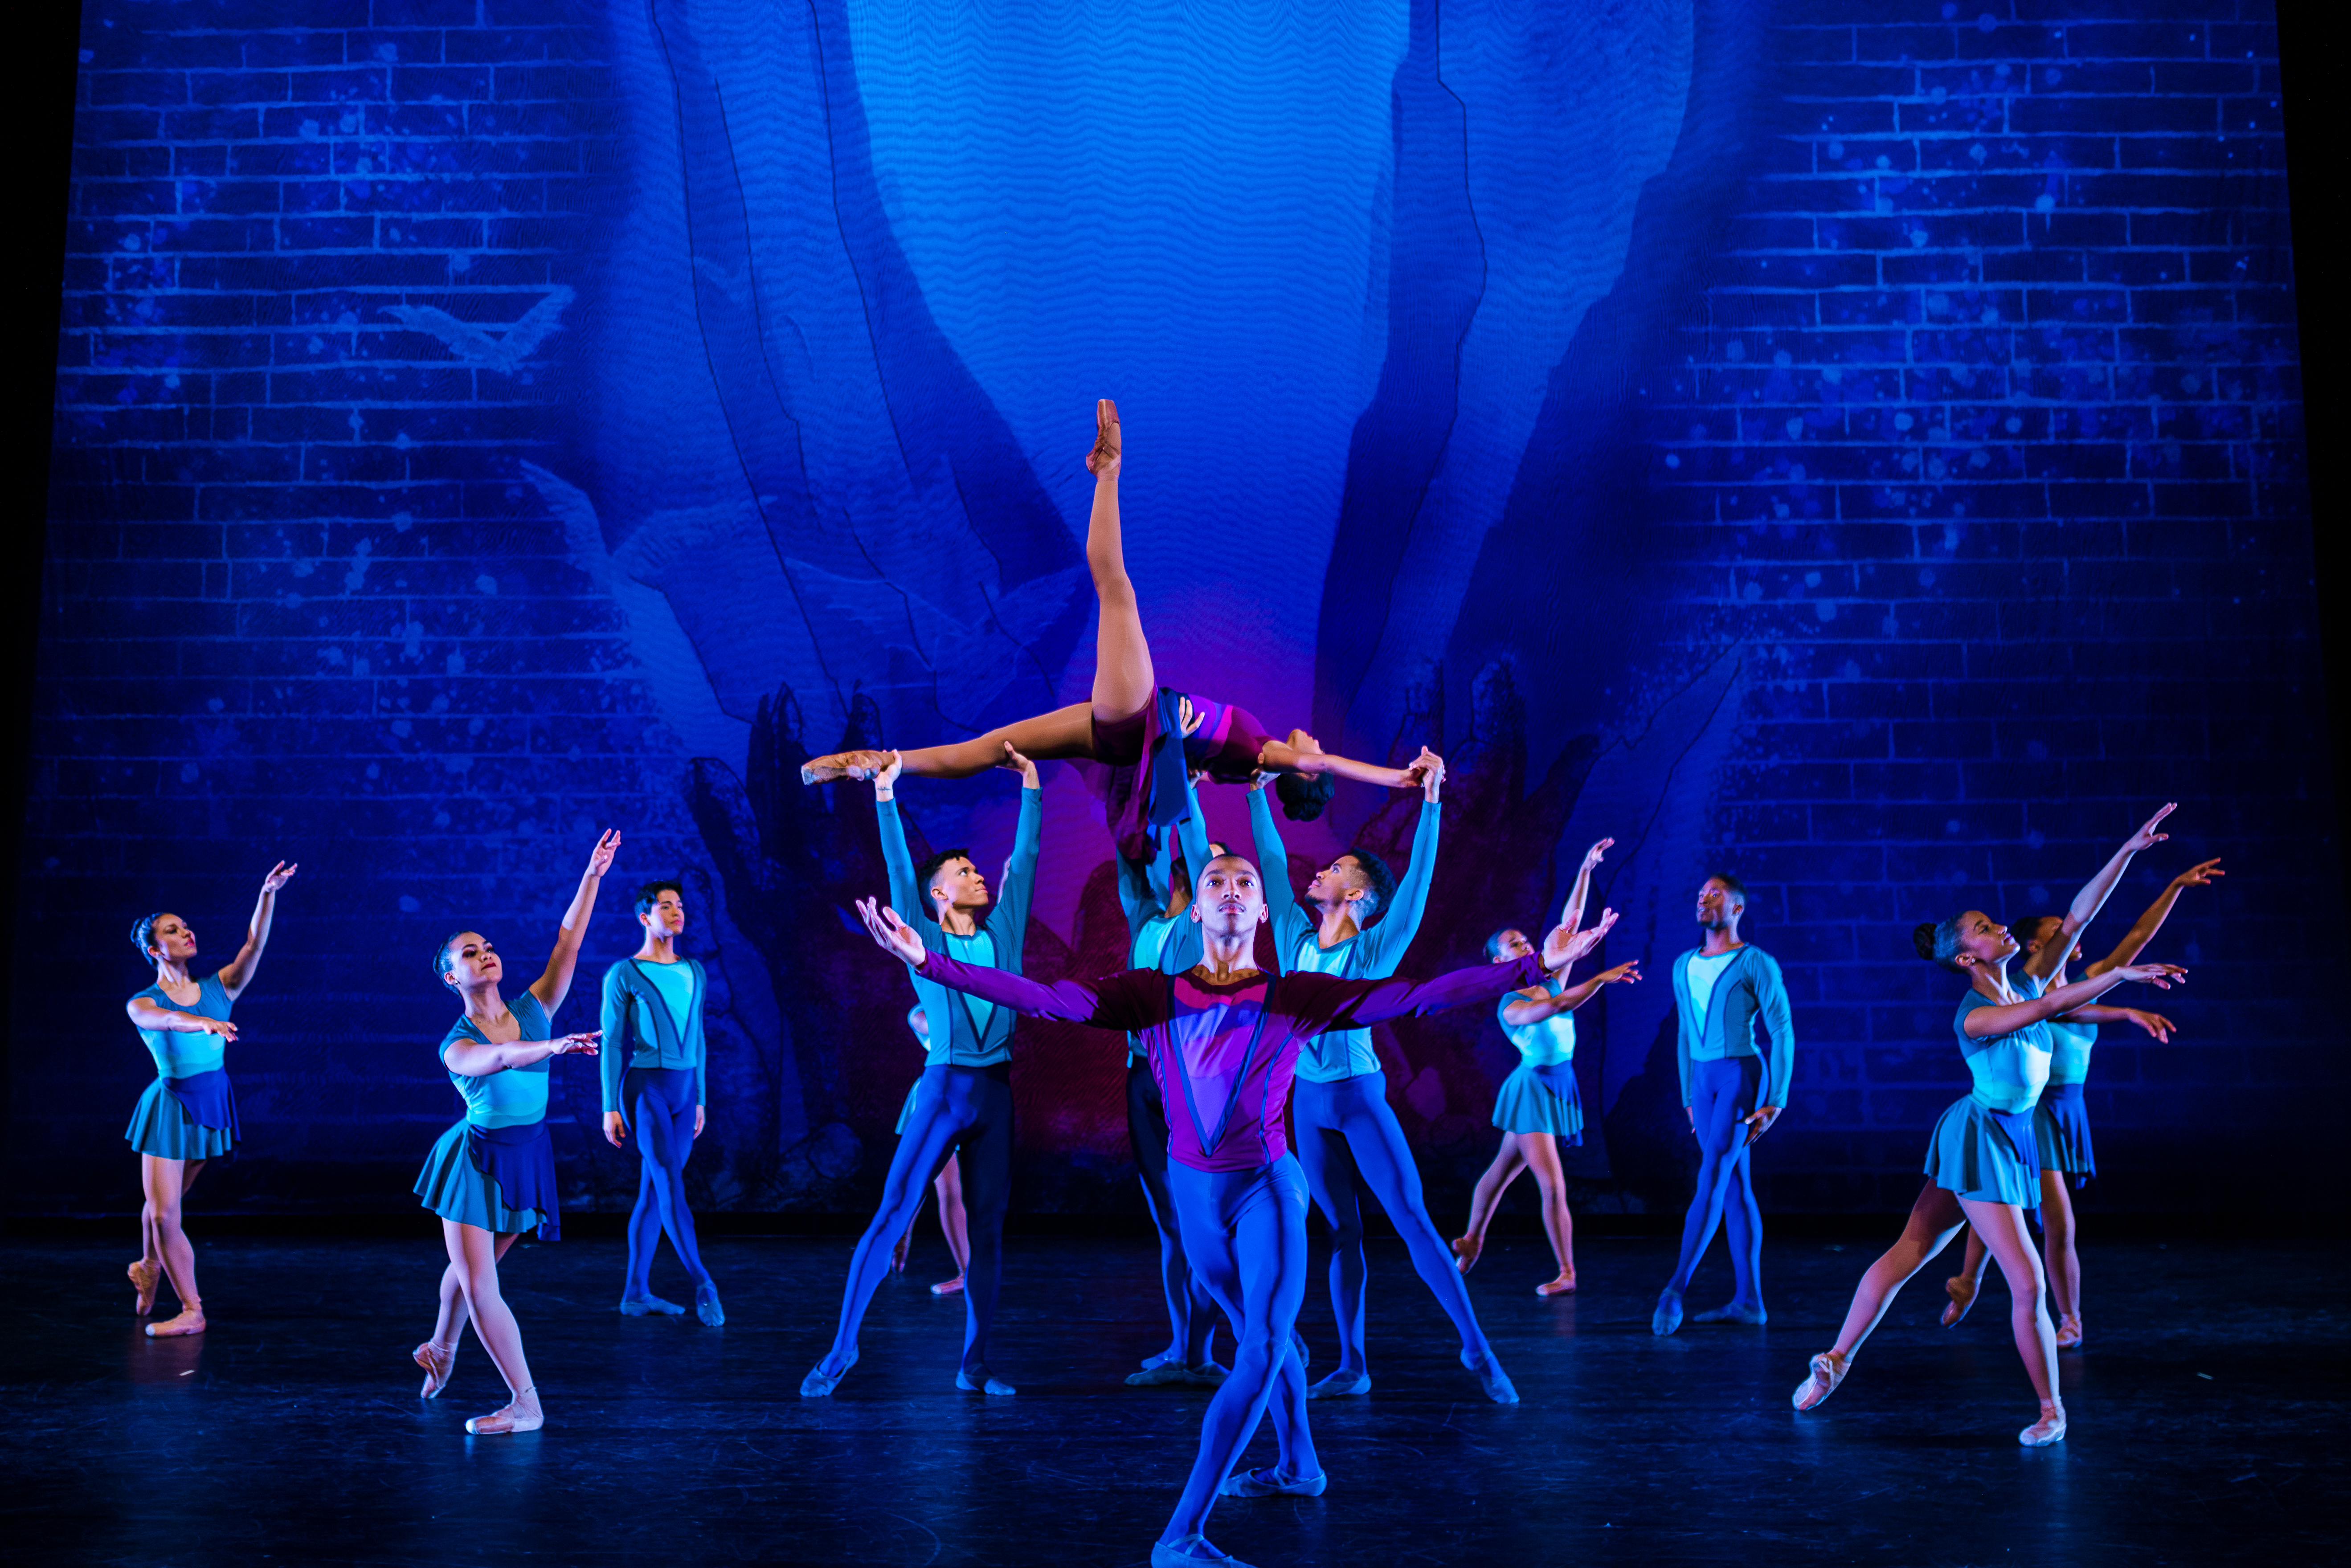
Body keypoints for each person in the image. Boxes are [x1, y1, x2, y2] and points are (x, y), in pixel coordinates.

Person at [852, 853, 1618, 1568]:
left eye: (1245, 883)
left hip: (1266, 1188)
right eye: (1214, 880)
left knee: (1260, 1343)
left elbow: (1416, 999)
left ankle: (1182, 1532)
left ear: (1260, 913)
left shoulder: (1296, 995)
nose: (1228, 888)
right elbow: (1042, 999)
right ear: (1196, 914)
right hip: (1194, 1195)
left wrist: (1534, 966)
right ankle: (1300, 1464)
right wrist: (927, 962)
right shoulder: (1146, 994)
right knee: (1270, 1341)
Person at [796, 402, 1431, 862]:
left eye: (1311, 761)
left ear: (1306, 773)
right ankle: (884, 764)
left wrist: (1398, 779)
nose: (1313, 743)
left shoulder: (1269, 755)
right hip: (1123, 736)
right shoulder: (1252, 767)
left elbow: (1319, 760)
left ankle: (1108, 474)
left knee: (1116, 590)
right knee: (993, 747)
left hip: (1137, 719)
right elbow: (1202, 772)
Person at [1791, 806, 2187, 1447]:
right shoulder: (1976, 1016)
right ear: (1962, 957)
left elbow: (2080, 914)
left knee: (1911, 1253)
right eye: (1984, 927)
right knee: (2015, 1279)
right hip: (1978, 1140)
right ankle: (2049, 1410)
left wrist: (2129, 850)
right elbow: (2058, 1004)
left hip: (2005, 1139)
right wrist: (2121, 976)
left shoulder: (2025, 979)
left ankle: (1839, 1359)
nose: (2001, 926)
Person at [1246, 752, 1514, 1400]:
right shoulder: (1292, 936)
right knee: (1340, 1230)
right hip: (1305, 1103)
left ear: (1359, 894)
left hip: (1359, 1100)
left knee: (1411, 1218)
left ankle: (1476, 1347)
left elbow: (1418, 881)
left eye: (1336, 868)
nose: (1321, 869)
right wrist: (1257, 791)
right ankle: (1352, 1364)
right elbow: (1274, 861)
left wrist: (1432, 803)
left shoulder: (1374, 947)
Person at [800, 747, 1040, 1398]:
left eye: (974, 867)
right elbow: (900, 870)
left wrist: (1031, 786)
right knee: (892, 1213)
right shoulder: (922, 939)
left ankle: (976, 1362)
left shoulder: (1005, 932)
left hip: (995, 1095)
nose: (977, 874)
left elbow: (1029, 857)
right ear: (939, 895)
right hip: (942, 1091)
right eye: (963, 871)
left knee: (987, 1229)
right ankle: (842, 1348)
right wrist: (883, 796)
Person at [1941, 857, 2220, 1345]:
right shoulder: (2031, 991)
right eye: (2057, 934)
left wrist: (2174, 883)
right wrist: (2127, 1007)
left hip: (2071, 1110)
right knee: (2050, 1217)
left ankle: (1969, 1279)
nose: (2073, 938)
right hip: (2038, 1114)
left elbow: (2137, 940)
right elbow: (2069, 1007)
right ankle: (2067, 1318)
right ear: (2035, 946)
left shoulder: (2082, 977)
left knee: (2007, 1204)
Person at [411, 831, 618, 1435]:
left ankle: (443, 1347)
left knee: (473, 1272)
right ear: (452, 978)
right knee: (481, 1283)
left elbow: (568, 941)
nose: (485, 955)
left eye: (488, 948)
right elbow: (496, 1061)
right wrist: (551, 1045)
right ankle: (526, 1402)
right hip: (475, 1164)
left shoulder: (530, 1007)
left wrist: (592, 875)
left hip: (524, 1155)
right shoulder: (457, 1044)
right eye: (470, 954)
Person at [1452, 838, 1639, 1296]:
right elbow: (1559, 1004)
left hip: (1557, 1085)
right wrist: (1600, 976)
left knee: (1500, 1172)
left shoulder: (1548, 977)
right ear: (1500, 961)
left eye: (1525, 940)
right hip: (1533, 1091)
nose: (1527, 944)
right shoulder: (1512, 1004)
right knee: (1552, 1185)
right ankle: (1567, 1272)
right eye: (1515, 944)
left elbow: (1566, 928)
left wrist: (1585, 869)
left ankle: (1473, 1239)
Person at [122, 862, 300, 1337]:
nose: (187, 932)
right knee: (162, 1212)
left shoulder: (219, 989)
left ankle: (147, 1265)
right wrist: (202, 1022)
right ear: (154, 948)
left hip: (211, 1104)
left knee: (165, 1207)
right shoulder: (142, 1002)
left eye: (186, 926)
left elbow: (253, 944)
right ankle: (192, 1309)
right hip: (170, 1106)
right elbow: (168, 1021)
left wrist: (267, 893)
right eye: (173, 931)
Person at [1115, 772, 1233, 1386]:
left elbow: (1193, 841)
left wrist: (1184, 788)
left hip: (1190, 1085)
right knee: (1168, 1225)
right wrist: (1131, 776)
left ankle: (1208, 1348)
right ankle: (1181, 1348)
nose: (1210, 873)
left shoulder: (1198, 931)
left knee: (1198, 1223)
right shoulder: (1149, 921)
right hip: (1142, 1080)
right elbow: (1126, 853)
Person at [1651, 873, 1796, 1336]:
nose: (1703, 897)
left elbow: (1782, 1031)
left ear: (1737, 908)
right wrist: (1688, 1094)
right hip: (1703, 1082)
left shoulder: (1757, 962)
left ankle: (1675, 1289)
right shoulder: (1682, 964)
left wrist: (1776, 1099)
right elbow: (1682, 1033)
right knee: (1734, 1186)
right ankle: (1750, 1301)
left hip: (1740, 1075)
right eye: (1700, 893)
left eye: (1715, 893)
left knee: (1713, 1170)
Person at [600, 878, 722, 1326]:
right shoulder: (625, 973)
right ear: (644, 917)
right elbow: (613, 1043)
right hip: (645, 1088)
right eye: (666, 906)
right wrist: (610, 1106)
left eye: (680, 906)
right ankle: (702, 1280)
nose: (677, 912)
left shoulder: (695, 970)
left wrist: (702, 1099)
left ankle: (635, 1293)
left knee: (654, 1193)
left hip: (685, 1092)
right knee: (670, 1183)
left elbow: (700, 1040)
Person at [890, 1004, 972, 1296]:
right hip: (939, 1100)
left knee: (954, 1189)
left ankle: (968, 1273)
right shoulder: (920, 1014)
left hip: (973, 1096)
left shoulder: (972, 1002)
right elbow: (956, 1036)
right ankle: (903, 1231)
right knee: (943, 1185)